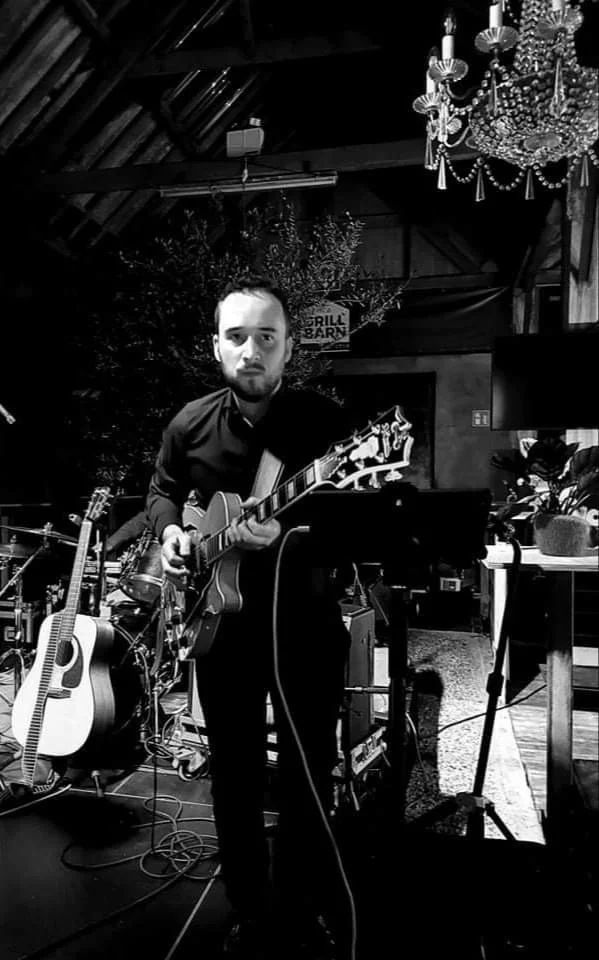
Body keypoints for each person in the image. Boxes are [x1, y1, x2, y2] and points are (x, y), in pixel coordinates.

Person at [145, 277, 352, 959]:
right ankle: (248, 906)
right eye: (238, 336)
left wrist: (297, 534)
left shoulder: (323, 425)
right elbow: (163, 491)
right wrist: (174, 534)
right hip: (220, 624)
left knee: (307, 769)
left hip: (305, 621)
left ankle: (303, 904)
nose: (252, 350)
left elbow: (364, 516)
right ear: (216, 347)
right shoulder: (189, 423)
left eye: (267, 336)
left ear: (289, 346)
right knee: (231, 772)